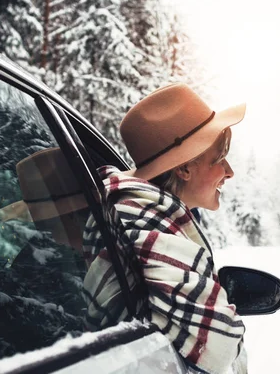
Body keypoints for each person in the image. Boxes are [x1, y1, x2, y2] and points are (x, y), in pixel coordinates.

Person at [82, 83, 248, 374]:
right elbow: (219, 346)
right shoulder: (149, 231)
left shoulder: (130, 217)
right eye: (219, 158)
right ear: (184, 169)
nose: (229, 171)